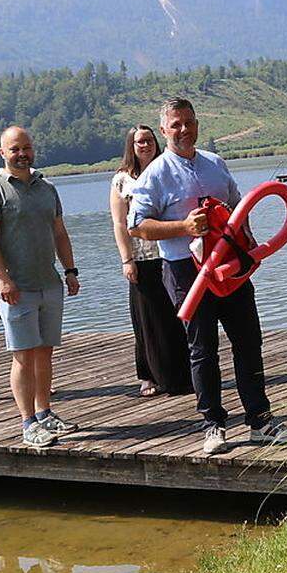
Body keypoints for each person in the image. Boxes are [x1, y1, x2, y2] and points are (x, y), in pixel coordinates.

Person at [129, 97, 287, 455]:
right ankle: (213, 425)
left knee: (249, 340)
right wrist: (183, 225)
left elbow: (240, 207)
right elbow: (137, 226)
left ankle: (260, 420)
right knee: (202, 348)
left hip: (231, 267)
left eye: (189, 122)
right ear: (164, 130)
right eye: (176, 125)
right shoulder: (154, 175)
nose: (184, 130)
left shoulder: (215, 164)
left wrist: (249, 248)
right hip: (185, 270)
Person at [0, 126, 80, 448]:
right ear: (2, 152)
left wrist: (70, 270)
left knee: (45, 351)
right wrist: (1, 277)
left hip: (48, 282)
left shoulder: (47, 188)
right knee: (22, 355)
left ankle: (45, 412)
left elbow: (60, 233)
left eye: (27, 148)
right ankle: (27, 423)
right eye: (15, 149)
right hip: (15, 288)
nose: (22, 154)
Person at [109, 125, 192, 396]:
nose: (145, 145)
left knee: (174, 314)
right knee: (147, 318)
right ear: (131, 147)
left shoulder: (165, 170)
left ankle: (180, 374)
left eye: (148, 140)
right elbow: (120, 223)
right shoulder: (122, 180)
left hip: (170, 252)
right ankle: (148, 375)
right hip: (141, 257)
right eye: (139, 142)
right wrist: (126, 259)